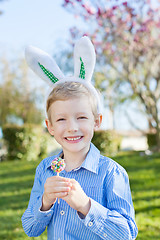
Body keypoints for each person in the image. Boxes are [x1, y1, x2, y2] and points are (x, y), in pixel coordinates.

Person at [22, 37, 138, 240]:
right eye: (61, 119)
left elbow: (127, 234)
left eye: (81, 117)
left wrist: (86, 205)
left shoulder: (111, 173)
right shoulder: (45, 169)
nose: (72, 127)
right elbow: (31, 229)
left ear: (96, 121)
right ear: (49, 126)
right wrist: (45, 202)